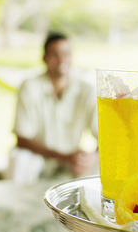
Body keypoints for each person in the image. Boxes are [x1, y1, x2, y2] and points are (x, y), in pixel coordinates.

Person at [7, 32, 99, 184]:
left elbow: (104, 138)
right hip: (38, 159)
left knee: (104, 163)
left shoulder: (87, 89)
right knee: (20, 159)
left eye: (66, 54)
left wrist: (90, 158)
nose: (62, 60)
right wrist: (64, 157)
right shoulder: (29, 87)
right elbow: (21, 139)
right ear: (44, 58)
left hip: (73, 162)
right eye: (55, 54)